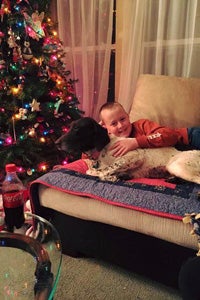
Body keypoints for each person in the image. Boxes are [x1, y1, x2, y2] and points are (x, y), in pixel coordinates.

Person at [99, 102, 200, 157]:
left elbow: (170, 135)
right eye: (113, 123)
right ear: (106, 128)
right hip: (182, 157)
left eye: (122, 119)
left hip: (189, 138)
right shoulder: (110, 142)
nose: (120, 125)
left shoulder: (141, 125)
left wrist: (136, 142)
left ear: (128, 116)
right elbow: (91, 157)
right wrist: (98, 131)